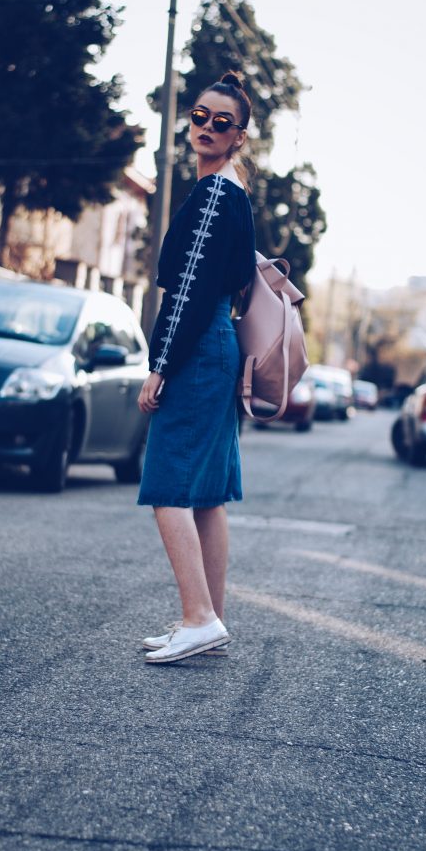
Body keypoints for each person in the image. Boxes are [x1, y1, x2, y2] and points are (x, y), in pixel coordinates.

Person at [137, 71, 257, 665]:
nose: (207, 127)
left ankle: (199, 616)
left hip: (201, 343)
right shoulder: (231, 190)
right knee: (207, 492)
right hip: (216, 342)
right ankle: (208, 618)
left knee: (168, 483)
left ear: (239, 135)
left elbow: (186, 287)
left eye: (222, 122)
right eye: (200, 116)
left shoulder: (215, 195)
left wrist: (159, 363)